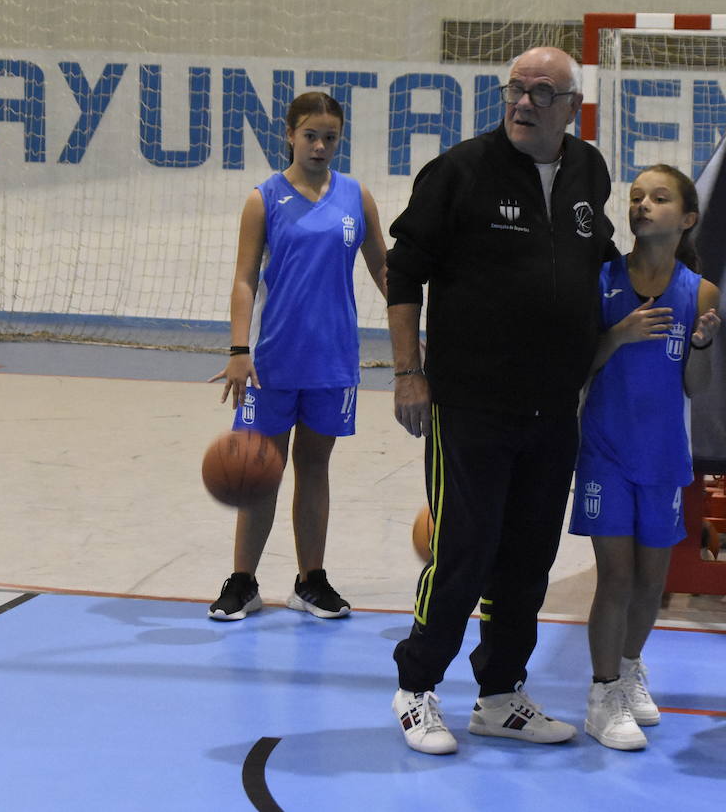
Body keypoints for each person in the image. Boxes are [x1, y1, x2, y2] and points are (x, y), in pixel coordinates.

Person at [384, 46, 617, 755]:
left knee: (527, 559)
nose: (524, 102)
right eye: (516, 89)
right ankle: (416, 686)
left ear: (571, 106)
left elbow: (603, 260)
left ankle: (500, 694)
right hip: (470, 402)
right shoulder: (459, 171)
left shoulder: (588, 171)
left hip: (554, 406)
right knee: (463, 550)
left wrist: (686, 299)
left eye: (542, 93)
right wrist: (408, 372)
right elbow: (403, 273)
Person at [206, 91, 387, 623]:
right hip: (272, 361)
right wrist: (239, 349)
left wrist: (412, 332)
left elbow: (384, 271)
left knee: (315, 467)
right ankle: (243, 580)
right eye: (310, 134)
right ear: (290, 134)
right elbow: (243, 279)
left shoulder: (357, 197)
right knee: (260, 469)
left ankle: (311, 580)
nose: (320, 145)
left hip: (333, 361)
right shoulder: (264, 198)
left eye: (330, 136)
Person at [569, 164, 721, 751]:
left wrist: (703, 343)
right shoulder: (601, 278)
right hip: (605, 450)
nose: (642, 205)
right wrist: (617, 335)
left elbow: (697, 386)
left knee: (652, 582)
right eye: (636, 197)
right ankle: (602, 693)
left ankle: (629, 668)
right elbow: (575, 366)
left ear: (686, 219)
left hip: (664, 456)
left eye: (659, 198)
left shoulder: (700, 291)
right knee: (617, 577)